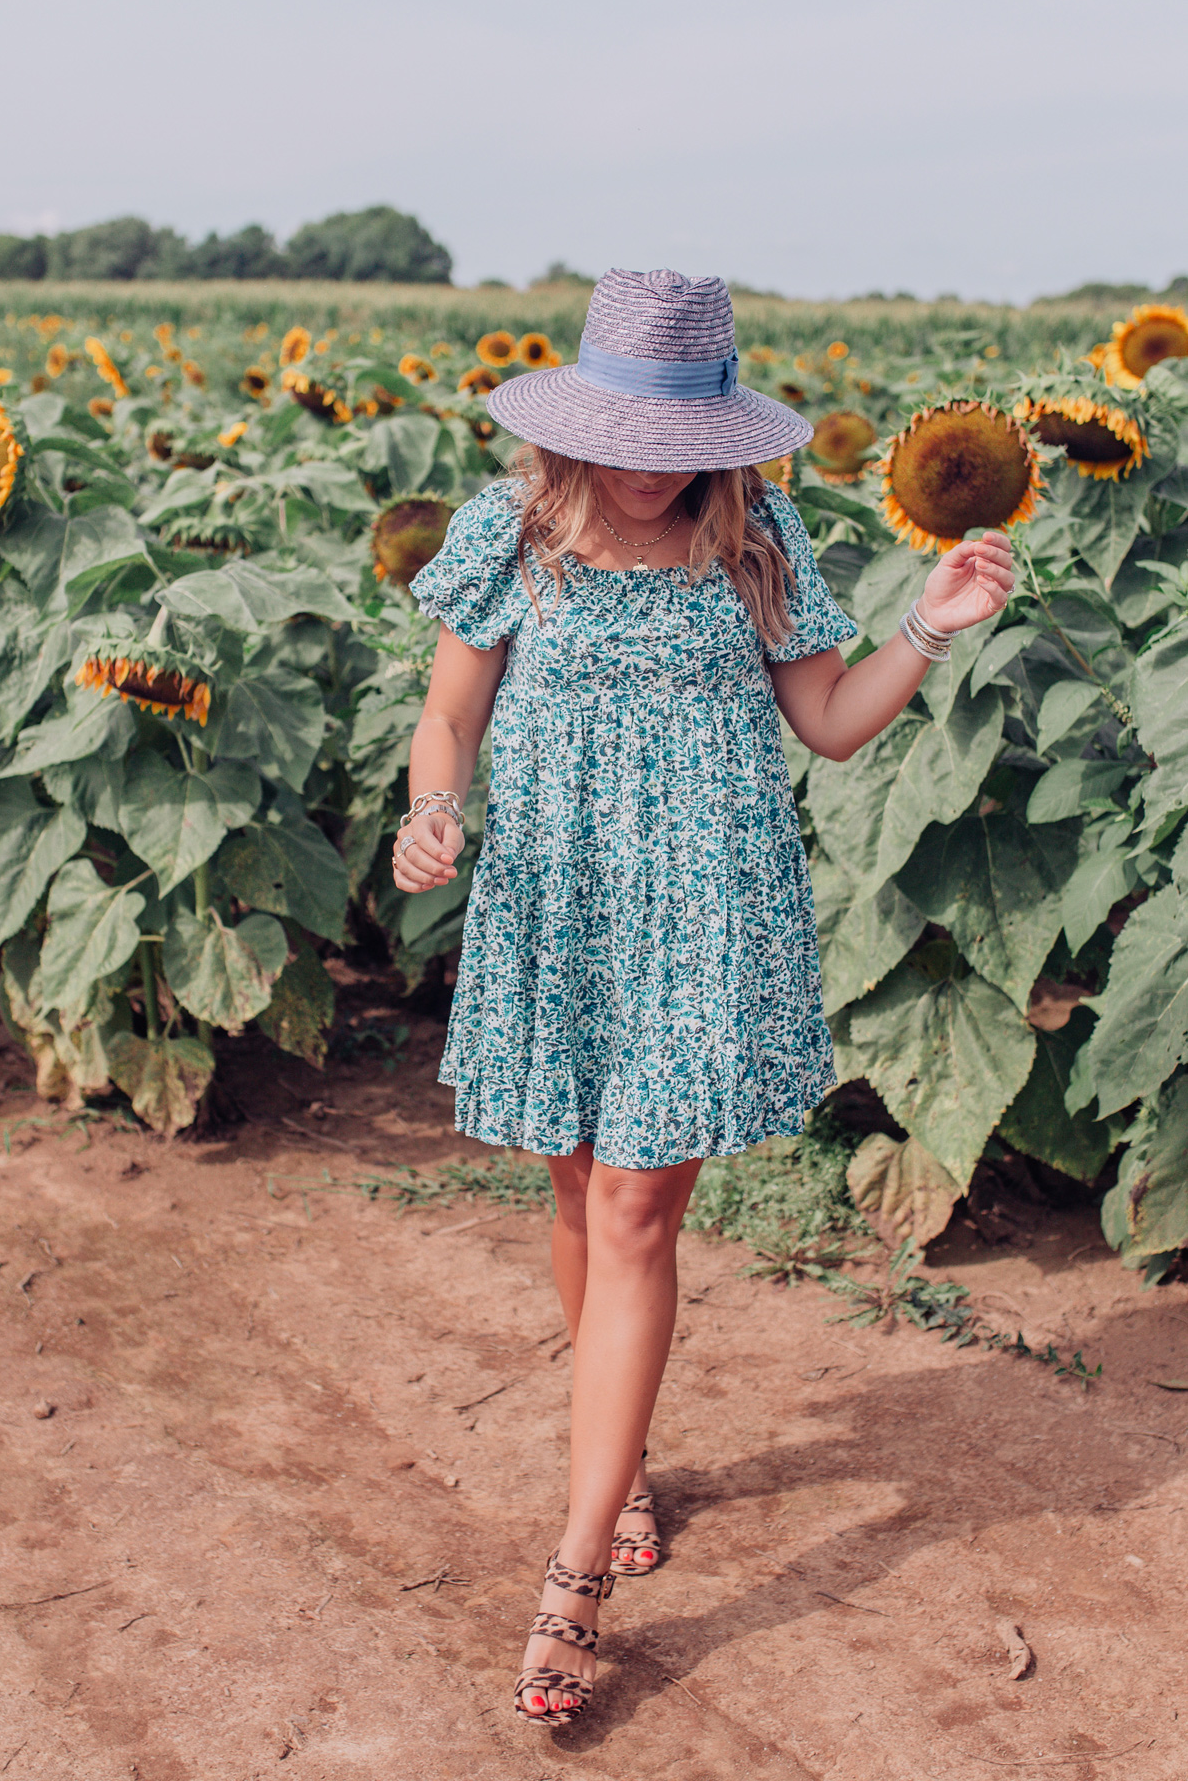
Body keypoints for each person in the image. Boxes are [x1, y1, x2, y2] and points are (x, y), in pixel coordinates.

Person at [396, 269, 1014, 1725]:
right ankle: (615, 1466)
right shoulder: (507, 530)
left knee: (631, 1210)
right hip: (555, 901)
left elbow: (830, 727)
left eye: (673, 438)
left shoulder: (756, 534)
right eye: (619, 430)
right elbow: (447, 714)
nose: (642, 462)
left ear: (718, 438)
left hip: (703, 909)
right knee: (570, 1195)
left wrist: (922, 629)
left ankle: (571, 1572)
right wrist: (432, 811)